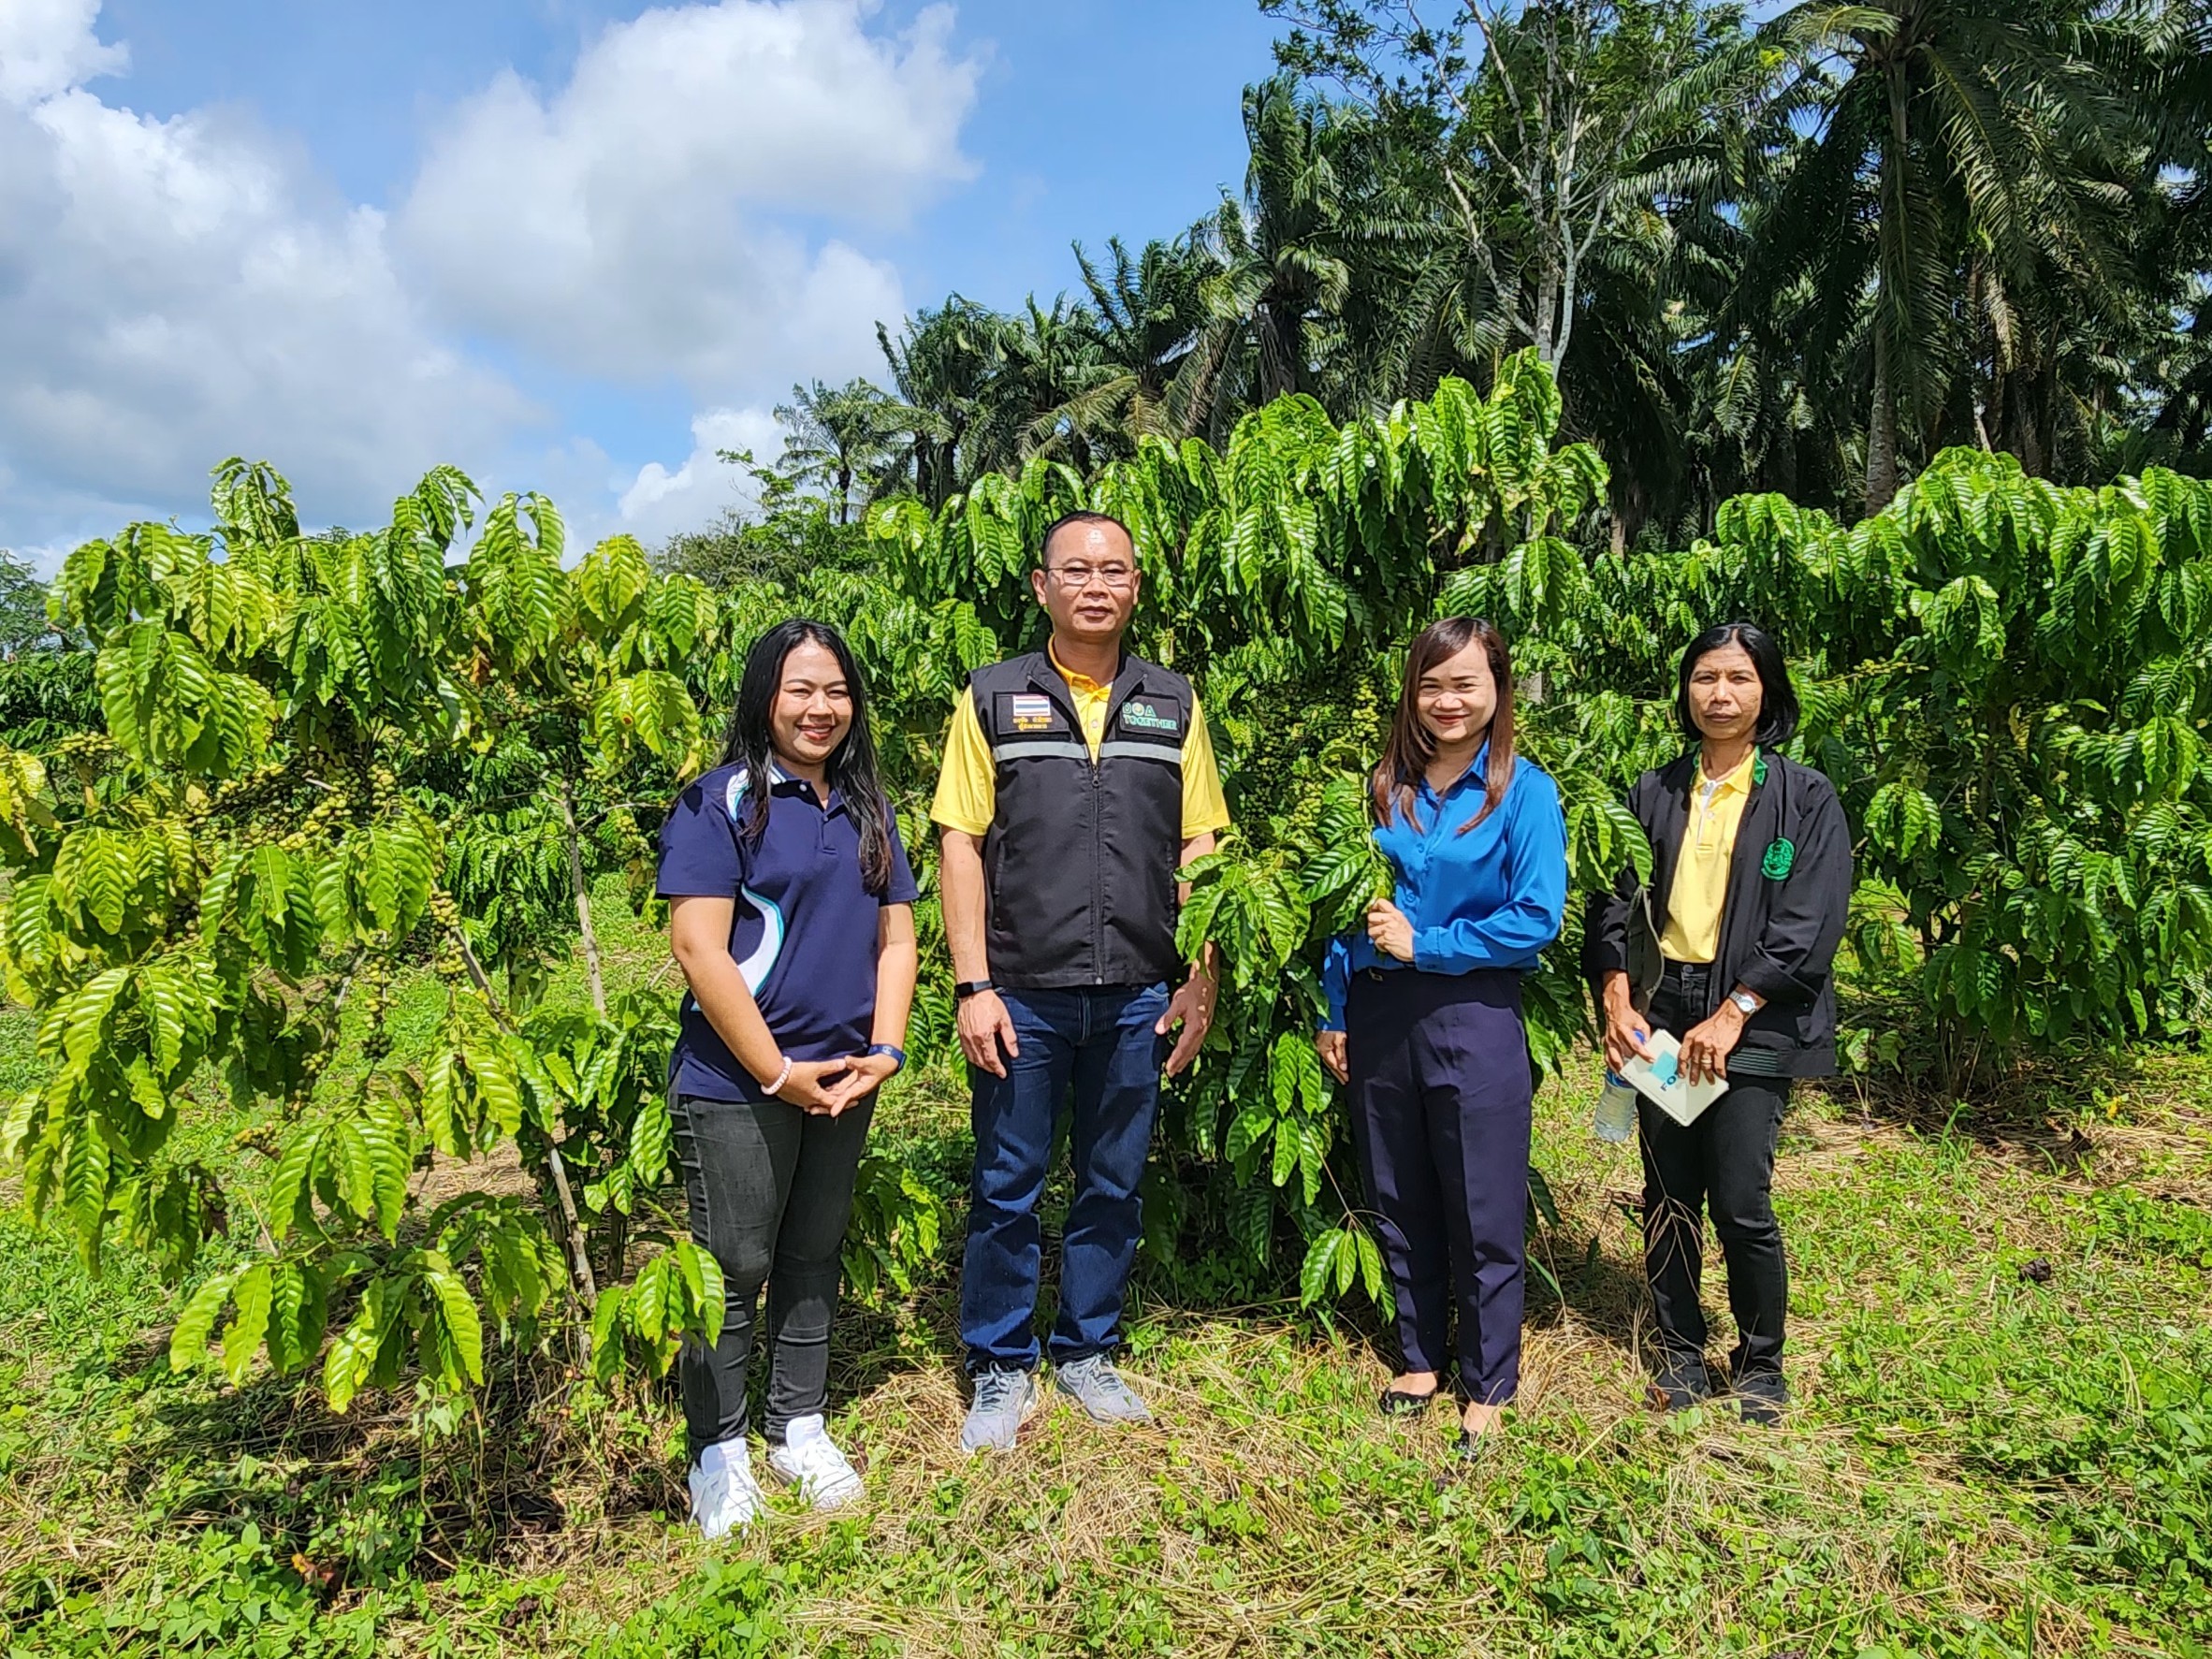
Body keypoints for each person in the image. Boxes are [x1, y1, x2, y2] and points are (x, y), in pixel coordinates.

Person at [933, 510, 1230, 1453]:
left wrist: (1199, 977)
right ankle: (999, 1363)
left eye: (1114, 571)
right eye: (1076, 570)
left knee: (1112, 1181)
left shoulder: (1173, 702)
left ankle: (1087, 1350)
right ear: (1040, 585)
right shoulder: (990, 698)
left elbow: (1200, 846)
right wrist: (972, 984)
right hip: (1021, 989)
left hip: (1141, 988)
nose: (1095, 585)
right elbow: (960, 844)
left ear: (1136, 587)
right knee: (1008, 1184)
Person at [659, 619, 920, 1538]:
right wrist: (777, 1073)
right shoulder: (719, 803)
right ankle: (717, 1449)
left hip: (847, 1077)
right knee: (735, 1266)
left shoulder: (869, 807)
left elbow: (898, 939)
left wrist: (883, 1053)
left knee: (813, 1254)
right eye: (800, 689)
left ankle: (796, 1426)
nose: (820, 708)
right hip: (738, 1082)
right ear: (764, 696)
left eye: (837, 690)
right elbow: (697, 945)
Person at [1583, 621, 1850, 1424]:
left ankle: (1762, 1361)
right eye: (1705, 678)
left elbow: (1810, 920)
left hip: (1755, 1018)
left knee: (1740, 1197)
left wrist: (1737, 1008)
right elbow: (1610, 896)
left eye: (1739, 677)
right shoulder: (1654, 790)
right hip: (1664, 1011)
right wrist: (1617, 996)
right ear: (1686, 689)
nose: (1720, 694)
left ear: (1767, 690)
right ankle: (1678, 1350)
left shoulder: (1803, 797)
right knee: (1668, 1190)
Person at [1314, 618, 1567, 1455]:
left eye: (1466, 684)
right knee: (1398, 1191)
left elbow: (1537, 916)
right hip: (1382, 1013)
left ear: (1497, 689)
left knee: (1482, 1200)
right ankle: (1419, 1359)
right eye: (1432, 684)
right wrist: (1334, 1005)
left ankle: (1490, 1379)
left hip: (1473, 1012)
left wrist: (1432, 945)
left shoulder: (1524, 792)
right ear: (1411, 694)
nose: (1449, 702)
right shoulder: (1384, 786)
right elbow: (1340, 910)